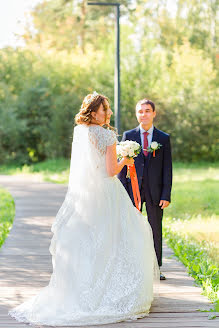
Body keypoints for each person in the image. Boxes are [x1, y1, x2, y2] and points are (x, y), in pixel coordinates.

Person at [8, 92, 159, 326]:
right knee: (123, 236)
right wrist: (125, 160)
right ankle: (115, 291)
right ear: (94, 111)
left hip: (86, 195)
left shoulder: (80, 131)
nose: (108, 113)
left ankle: (83, 290)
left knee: (89, 241)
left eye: (108, 108)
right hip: (108, 193)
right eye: (105, 109)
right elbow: (110, 171)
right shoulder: (107, 134)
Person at [118, 98, 172, 280]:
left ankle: (156, 268)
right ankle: (132, 266)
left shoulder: (163, 138)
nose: (144, 114)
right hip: (133, 189)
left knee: (155, 228)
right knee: (132, 228)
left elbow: (167, 169)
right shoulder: (128, 136)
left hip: (156, 191)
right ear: (136, 114)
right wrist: (123, 194)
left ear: (154, 113)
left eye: (147, 111)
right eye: (140, 111)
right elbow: (123, 168)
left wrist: (166, 194)